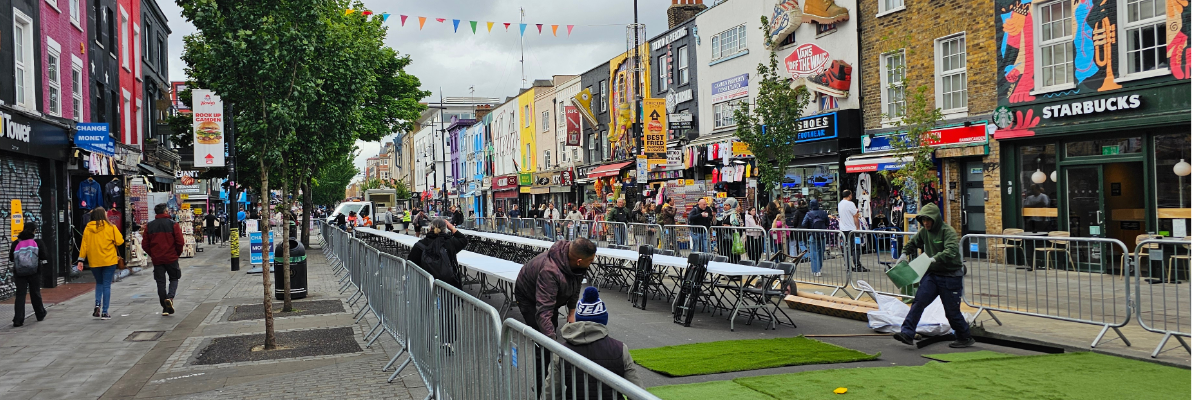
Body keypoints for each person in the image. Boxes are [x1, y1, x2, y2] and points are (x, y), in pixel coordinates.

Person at [894, 203, 974, 348]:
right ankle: (907, 332)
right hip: (933, 274)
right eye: (923, 220)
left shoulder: (947, 231)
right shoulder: (924, 231)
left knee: (951, 312)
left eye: (928, 220)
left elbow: (951, 250)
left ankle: (964, 336)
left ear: (935, 219)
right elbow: (913, 243)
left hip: (950, 276)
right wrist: (904, 253)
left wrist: (935, 258)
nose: (925, 223)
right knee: (919, 301)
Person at [542, 287, 644, 398]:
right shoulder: (620, 349)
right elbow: (637, 392)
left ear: (578, 319)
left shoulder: (561, 352)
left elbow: (551, 393)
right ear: (604, 320)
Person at [515, 237, 597, 340]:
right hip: (528, 296)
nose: (592, 262)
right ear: (579, 261)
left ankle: (547, 351)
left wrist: (571, 313)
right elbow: (544, 311)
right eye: (590, 261)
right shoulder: (550, 272)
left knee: (552, 327)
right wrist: (553, 345)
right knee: (541, 335)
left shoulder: (576, 262)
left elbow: (575, 286)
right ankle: (543, 354)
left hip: (549, 295)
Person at [77, 207, 124, 320]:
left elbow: (84, 245)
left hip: (94, 261)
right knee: (107, 284)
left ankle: (97, 304)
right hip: (109, 260)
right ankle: (105, 312)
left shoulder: (88, 228)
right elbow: (120, 241)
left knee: (99, 283)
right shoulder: (111, 227)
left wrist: (80, 260)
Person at [142, 204, 186, 316]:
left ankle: (165, 306)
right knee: (174, 278)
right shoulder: (173, 225)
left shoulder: (149, 226)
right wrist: (177, 253)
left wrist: (152, 253)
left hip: (157, 259)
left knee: (160, 282)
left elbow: (145, 244)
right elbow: (180, 242)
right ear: (166, 211)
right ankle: (170, 298)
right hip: (171, 257)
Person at [407, 218, 470, 289]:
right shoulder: (450, 243)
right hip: (449, 286)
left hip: (427, 286)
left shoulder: (419, 245)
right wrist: (452, 228)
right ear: (445, 230)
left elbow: (410, 263)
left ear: (430, 228)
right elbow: (463, 239)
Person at [9, 222, 48, 327]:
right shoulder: (37, 242)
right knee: (35, 293)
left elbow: (11, 258)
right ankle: (40, 314)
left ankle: (18, 319)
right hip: (35, 271)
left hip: (19, 272)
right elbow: (44, 256)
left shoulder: (16, 243)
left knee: (20, 295)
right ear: (34, 230)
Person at [839, 190, 869, 272]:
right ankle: (857, 265)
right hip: (852, 229)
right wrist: (858, 228)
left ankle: (848, 266)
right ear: (849, 195)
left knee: (846, 248)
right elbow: (855, 216)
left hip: (843, 229)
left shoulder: (840, 204)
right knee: (856, 247)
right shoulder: (850, 204)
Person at [800, 199, 830, 277]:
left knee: (814, 253)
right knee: (821, 252)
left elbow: (803, 224)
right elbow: (828, 223)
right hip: (822, 235)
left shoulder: (809, 214)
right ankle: (819, 268)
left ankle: (815, 270)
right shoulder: (823, 213)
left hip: (813, 235)